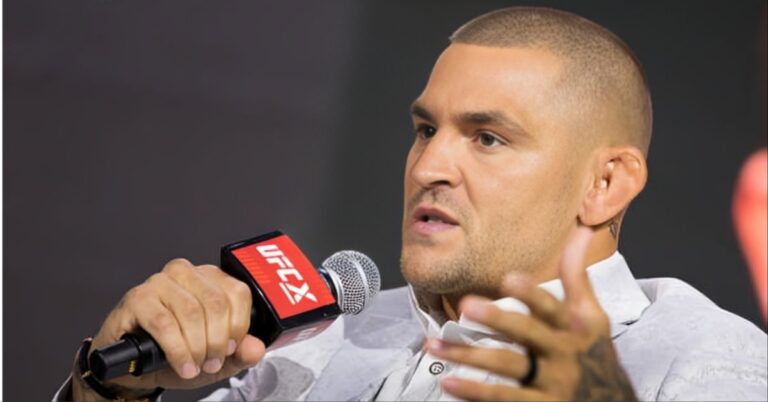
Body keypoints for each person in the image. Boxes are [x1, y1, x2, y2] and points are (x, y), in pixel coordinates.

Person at [56, 7, 767, 401]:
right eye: (425, 130)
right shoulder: (320, 342)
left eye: (487, 138)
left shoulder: (710, 364)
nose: (428, 167)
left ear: (604, 184)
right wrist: (110, 392)